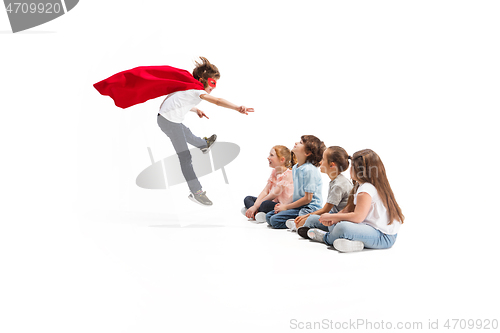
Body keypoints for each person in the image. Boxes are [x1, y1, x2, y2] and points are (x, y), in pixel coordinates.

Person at [94, 57, 254, 206]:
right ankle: (196, 191)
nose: (213, 88)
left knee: (187, 133)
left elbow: (178, 102)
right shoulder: (197, 90)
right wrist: (237, 107)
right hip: (169, 122)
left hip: (168, 120)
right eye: (212, 83)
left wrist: (195, 109)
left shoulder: (190, 87)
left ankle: (204, 144)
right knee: (185, 157)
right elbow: (217, 101)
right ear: (203, 80)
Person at [307, 149, 404, 253]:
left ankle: (326, 237)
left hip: (383, 237)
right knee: (325, 221)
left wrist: (332, 217)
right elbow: (347, 210)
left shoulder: (366, 188)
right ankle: (353, 243)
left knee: (342, 227)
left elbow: (358, 217)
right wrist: (335, 219)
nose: (350, 170)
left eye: (353, 167)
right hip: (367, 228)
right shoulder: (359, 185)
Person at [266, 135, 325, 229]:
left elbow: (307, 199)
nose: (296, 143)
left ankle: (301, 223)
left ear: (307, 152)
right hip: (298, 206)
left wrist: (286, 208)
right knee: (269, 217)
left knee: (274, 220)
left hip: (309, 208)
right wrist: (284, 205)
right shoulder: (295, 167)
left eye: (301, 143)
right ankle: (295, 221)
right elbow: (296, 195)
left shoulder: (309, 170)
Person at [295, 146, 353, 239]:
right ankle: (304, 225)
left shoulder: (338, 185)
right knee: (311, 215)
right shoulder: (337, 180)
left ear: (332, 165)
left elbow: (325, 210)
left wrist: (305, 217)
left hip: (340, 220)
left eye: (323, 159)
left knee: (311, 219)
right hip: (335, 214)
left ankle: (302, 226)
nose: (320, 162)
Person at [241, 145, 295, 223]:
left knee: (264, 204)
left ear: (282, 159)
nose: (268, 157)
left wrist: (255, 206)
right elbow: (265, 191)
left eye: (271, 155)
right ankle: (257, 213)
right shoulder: (274, 172)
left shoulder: (288, 174)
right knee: (248, 198)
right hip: (272, 201)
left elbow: (273, 195)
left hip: (282, 205)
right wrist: (254, 206)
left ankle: (255, 212)